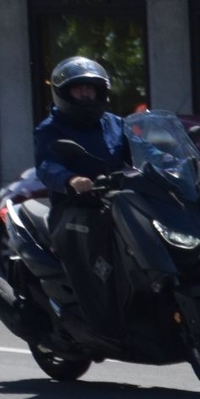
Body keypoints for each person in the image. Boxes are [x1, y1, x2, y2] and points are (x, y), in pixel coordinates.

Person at [34, 56, 131, 325]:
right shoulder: (51, 129)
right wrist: (71, 179)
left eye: (91, 89)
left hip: (117, 200)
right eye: (79, 89)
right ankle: (95, 314)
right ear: (65, 93)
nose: (87, 94)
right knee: (94, 255)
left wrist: (169, 162)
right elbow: (46, 165)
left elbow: (140, 150)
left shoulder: (115, 124)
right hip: (76, 206)